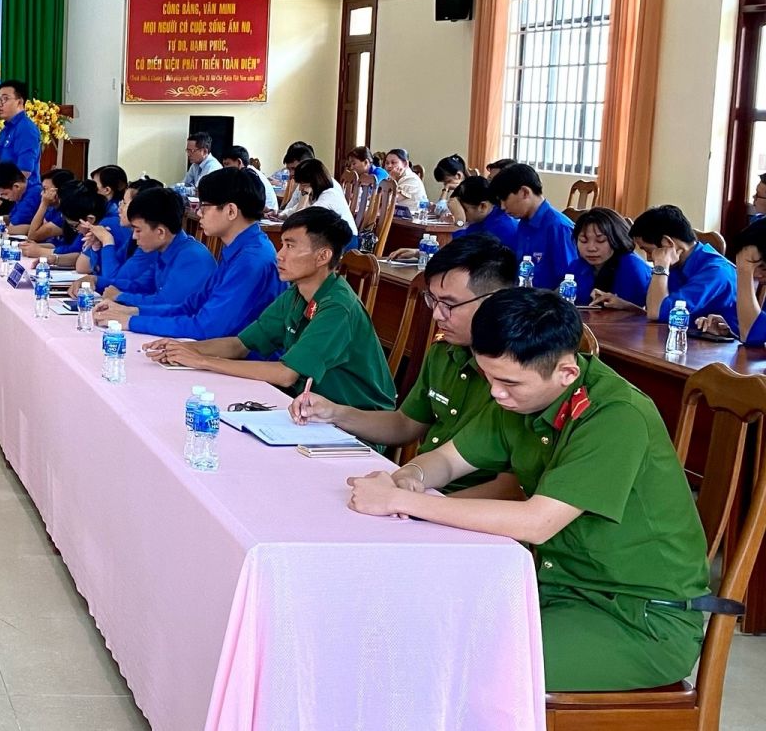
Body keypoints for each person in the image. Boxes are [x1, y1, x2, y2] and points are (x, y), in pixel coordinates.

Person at [345, 289, 711, 694]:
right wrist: (409, 476)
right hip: (555, 588)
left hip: (639, 619)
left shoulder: (615, 416)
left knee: (462, 668)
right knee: (409, 624)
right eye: (488, 377)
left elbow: (536, 522)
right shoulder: (523, 397)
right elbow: (448, 460)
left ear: (566, 373)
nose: (496, 392)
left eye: (508, 382)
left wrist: (401, 500)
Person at [290, 233, 518, 486]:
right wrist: (335, 413)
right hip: (422, 484)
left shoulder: (517, 374)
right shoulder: (444, 352)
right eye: (433, 300)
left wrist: (415, 501)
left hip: (461, 502)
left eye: (449, 304)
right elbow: (406, 424)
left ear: (495, 301)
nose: (437, 315)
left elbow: (510, 488)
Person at [144, 208, 397, 412]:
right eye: (282, 245)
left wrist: (202, 361)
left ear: (322, 256)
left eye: (291, 246)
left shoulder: (337, 307)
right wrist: (185, 349)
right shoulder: (296, 295)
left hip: (355, 422)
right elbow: (241, 344)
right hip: (308, 409)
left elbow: (286, 374)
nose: (279, 255)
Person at [107, 168, 285, 338]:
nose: (199, 213)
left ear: (230, 211)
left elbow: (206, 327)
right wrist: (132, 312)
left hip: (244, 356)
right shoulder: (239, 249)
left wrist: (132, 321)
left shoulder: (251, 260)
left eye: (204, 206)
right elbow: (191, 306)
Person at [92, 186, 214, 318]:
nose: (134, 236)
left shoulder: (192, 257)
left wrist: (120, 297)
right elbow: (140, 285)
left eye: (138, 230)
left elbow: (167, 305)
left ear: (160, 232)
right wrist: (97, 281)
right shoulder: (165, 249)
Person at [630, 204, 738, 327]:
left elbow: (656, 312)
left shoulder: (715, 272)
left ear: (667, 243)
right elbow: (651, 305)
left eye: (649, 251)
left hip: (722, 339)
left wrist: (661, 265)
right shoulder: (678, 264)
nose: (649, 258)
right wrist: (627, 306)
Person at [491, 162, 579, 288]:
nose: (503, 207)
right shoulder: (523, 223)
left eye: (504, 199)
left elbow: (569, 282)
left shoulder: (559, 227)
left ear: (524, 192)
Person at [569, 208, 653, 311]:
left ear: (617, 239)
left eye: (600, 240)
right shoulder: (577, 266)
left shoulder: (632, 267)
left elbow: (643, 315)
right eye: (583, 241)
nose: (591, 248)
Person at [700, 221, 766, 345]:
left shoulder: (717, 270)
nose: (756, 274)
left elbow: (752, 335)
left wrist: (744, 269)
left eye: (762, 266)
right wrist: (731, 334)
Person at [283, 158, 357, 233]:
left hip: (347, 237)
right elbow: (293, 211)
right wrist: (281, 215)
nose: (300, 189)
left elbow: (300, 219)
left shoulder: (329, 195)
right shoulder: (315, 196)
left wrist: (304, 195)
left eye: (303, 184)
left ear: (315, 182)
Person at [0, 79, 41, 177]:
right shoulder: (5, 130)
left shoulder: (26, 129)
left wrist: (3, 186)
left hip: (22, 187)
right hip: (4, 186)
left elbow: (24, 173)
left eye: (5, 99)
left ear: (19, 102)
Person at [16, 168, 78, 247]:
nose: (42, 194)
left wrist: (43, 204)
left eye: (45, 189)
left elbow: (33, 236)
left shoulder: (65, 214)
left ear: (57, 191)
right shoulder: (52, 209)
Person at [452, 174, 520, 246]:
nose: (461, 213)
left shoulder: (500, 228)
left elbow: (461, 250)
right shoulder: (484, 218)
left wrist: (459, 220)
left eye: (462, 209)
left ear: (482, 206)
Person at [0, 161, 42, 226]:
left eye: (5, 194)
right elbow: (11, 218)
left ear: (16, 186)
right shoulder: (23, 192)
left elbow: (13, 225)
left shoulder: (33, 195)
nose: (5, 198)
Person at [382, 147, 430, 214]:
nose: (389, 166)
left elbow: (389, 200)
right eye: (387, 163)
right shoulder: (393, 177)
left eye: (393, 163)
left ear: (405, 164)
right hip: (395, 216)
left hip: (411, 218)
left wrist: (391, 181)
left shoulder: (412, 179)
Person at [272, 141, 315, 207]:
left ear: (307, 165)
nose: (291, 174)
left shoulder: (324, 186)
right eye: (289, 169)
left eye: (294, 169)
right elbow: (289, 208)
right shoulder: (299, 185)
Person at [433, 155, 469, 220]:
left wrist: (446, 188)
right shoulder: (458, 192)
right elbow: (438, 211)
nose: (446, 184)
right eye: (444, 183)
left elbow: (460, 222)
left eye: (448, 181)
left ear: (458, 175)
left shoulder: (469, 191)